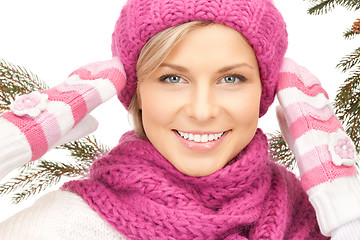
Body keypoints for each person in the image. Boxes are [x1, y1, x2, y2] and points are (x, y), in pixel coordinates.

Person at [0, 0, 360, 239]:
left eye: (231, 79)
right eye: (172, 78)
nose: (202, 111)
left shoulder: (315, 214)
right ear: (138, 92)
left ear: (265, 92)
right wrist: (10, 141)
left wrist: (347, 211)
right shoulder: (68, 224)